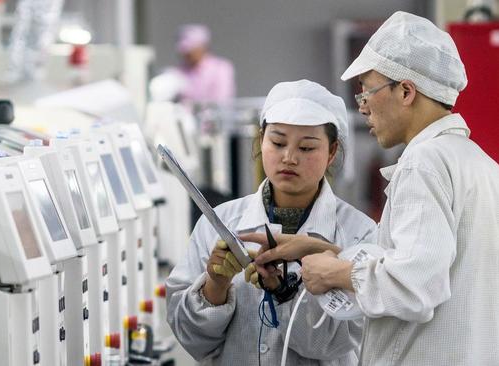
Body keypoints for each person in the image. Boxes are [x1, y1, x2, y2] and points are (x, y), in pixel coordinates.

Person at [253, 11, 499, 365]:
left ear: (405, 91)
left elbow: (416, 287)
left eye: (368, 91)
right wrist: (324, 249)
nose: (363, 107)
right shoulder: (479, 163)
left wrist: (335, 272)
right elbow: (429, 264)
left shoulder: (423, 162)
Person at [166, 80, 377, 365]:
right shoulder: (219, 222)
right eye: (277, 142)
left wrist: (283, 291)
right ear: (261, 140)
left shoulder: (359, 234)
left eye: (306, 148)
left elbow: (336, 344)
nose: (289, 158)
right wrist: (215, 285)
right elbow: (191, 338)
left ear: (331, 152)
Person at [174, 24, 235, 106]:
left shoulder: (220, 68)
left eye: (191, 49)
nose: (186, 54)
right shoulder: (178, 72)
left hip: (214, 118)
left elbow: (222, 101)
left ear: (203, 47)